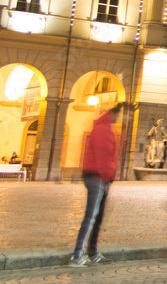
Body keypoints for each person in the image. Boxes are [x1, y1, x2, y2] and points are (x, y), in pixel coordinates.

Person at [70, 102, 124, 267]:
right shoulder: (103, 129)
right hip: (97, 177)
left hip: (99, 176)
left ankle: (92, 252)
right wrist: (107, 178)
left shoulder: (107, 128)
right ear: (114, 114)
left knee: (98, 217)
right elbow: (103, 158)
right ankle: (77, 254)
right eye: (120, 115)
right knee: (91, 216)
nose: (121, 118)